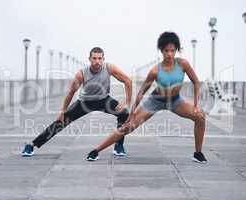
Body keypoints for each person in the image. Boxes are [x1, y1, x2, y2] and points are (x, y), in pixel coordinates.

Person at [87, 32, 207, 163]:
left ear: (176, 50)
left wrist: (195, 105)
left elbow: (196, 82)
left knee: (200, 117)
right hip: (156, 100)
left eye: (172, 51)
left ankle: (198, 153)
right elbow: (141, 92)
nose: (169, 54)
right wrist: (132, 112)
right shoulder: (155, 70)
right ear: (161, 51)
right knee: (128, 127)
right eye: (166, 51)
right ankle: (96, 151)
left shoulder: (183, 64)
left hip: (175, 101)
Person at [22, 47, 132, 159]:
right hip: (84, 102)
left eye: (100, 58)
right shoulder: (81, 74)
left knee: (124, 113)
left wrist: (127, 102)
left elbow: (127, 80)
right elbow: (70, 93)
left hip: (104, 100)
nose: (97, 61)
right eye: (94, 58)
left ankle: (118, 145)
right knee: (61, 121)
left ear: (103, 59)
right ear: (89, 59)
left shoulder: (109, 68)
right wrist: (63, 111)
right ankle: (32, 145)